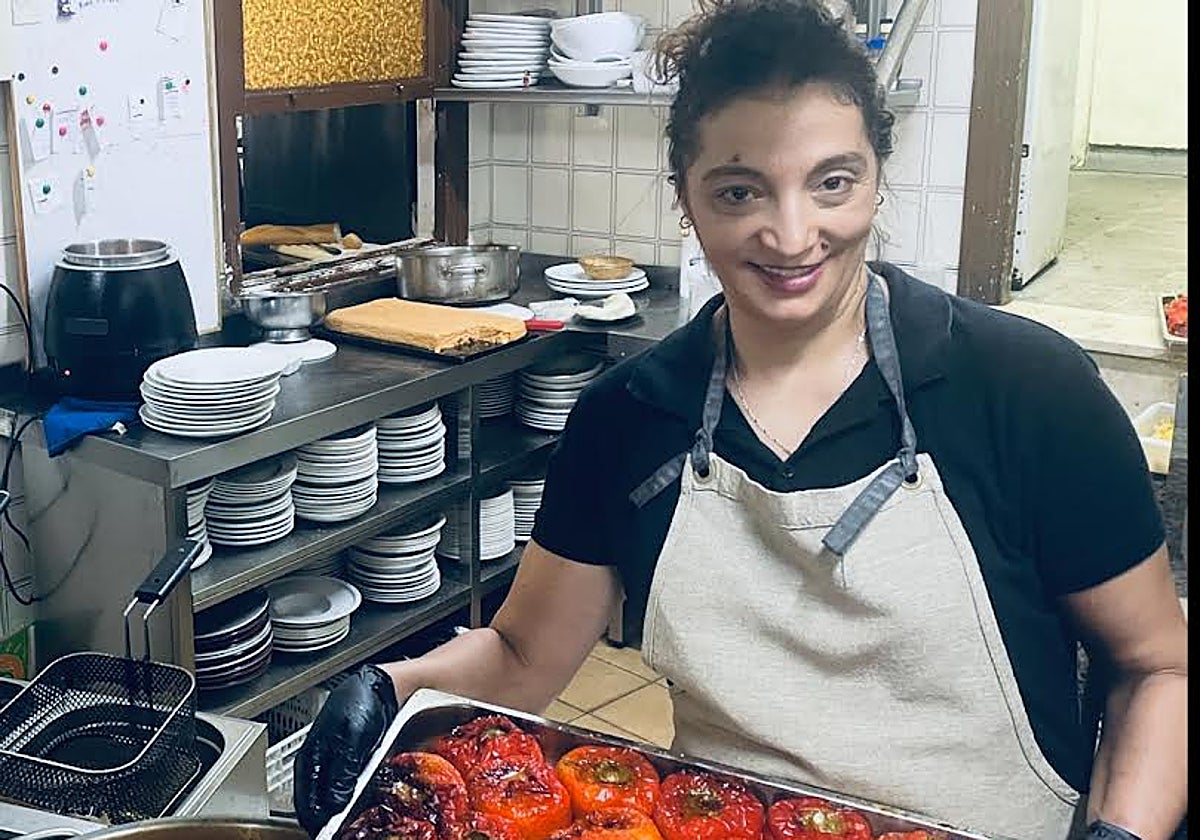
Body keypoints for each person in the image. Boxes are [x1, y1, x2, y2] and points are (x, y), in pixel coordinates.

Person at [294, 1, 1188, 837]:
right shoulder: (629, 416)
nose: (792, 235)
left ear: (879, 178)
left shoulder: (1026, 389)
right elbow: (527, 653)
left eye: (832, 182)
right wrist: (389, 684)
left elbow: (1159, 668)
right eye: (739, 192)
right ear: (685, 198)